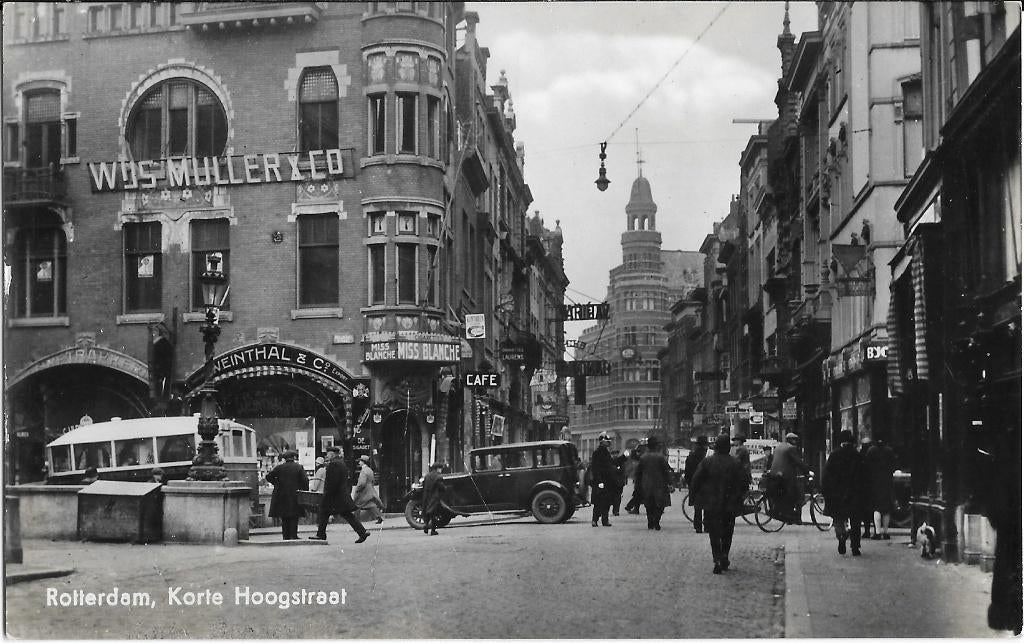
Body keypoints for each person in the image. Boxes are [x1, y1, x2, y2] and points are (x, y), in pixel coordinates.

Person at [690, 434, 746, 574]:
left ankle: (717, 558)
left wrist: (694, 498)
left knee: (714, 533)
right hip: (729, 503)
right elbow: (744, 482)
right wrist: (739, 497)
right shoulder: (735, 463)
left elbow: (696, 480)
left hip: (711, 503)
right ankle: (725, 554)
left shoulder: (707, 462)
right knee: (728, 531)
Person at [821, 430, 867, 556]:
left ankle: (841, 536)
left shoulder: (834, 455)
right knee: (855, 521)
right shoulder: (857, 456)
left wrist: (826, 491)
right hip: (854, 494)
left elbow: (826, 476)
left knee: (838, 519)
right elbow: (864, 477)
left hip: (837, 494)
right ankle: (855, 547)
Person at [309, 447, 369, 544]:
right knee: (346, 514)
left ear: (332, 454)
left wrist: (327, 494)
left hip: (334, 496)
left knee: (324, 512)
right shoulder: (341, 463)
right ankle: (362, 532)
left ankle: (321, 534)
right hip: (340, 495)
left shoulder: (334, 464)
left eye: (328, 454)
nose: (327, 455)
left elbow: (332, 482)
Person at [765, 432, 809, 524]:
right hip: (784, 475)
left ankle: (787, 513)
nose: (796, 442)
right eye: (795, 440)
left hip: (774, 475)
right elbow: (798, 461)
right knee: (795, 494)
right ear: (792, 440)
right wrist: (806, 471)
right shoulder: (790, 448)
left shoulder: (779, 447)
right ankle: (793, 516)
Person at [266, 450, 309, 540]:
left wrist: (276, 483)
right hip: (295, 495)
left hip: (281, 495)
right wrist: (304, 490)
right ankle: (293, 535)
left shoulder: (279, 467)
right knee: (294, 516)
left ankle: (285, 536)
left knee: (284, 516)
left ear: (285, 458)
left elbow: (268, 476)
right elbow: (305, 481)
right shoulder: (299, 467)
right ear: (293, 457)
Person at [635, 437, 672, 530]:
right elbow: (665, 471)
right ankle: (656, 521)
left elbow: (638, 473)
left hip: (646, 484)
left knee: (649, 504)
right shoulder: (660, 457)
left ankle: (650, 521)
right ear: (656, 446)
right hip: (660, 484)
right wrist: (670, 483)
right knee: (660, 505)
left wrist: (638, 484)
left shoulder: (643, 457)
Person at [864, 437, 897, 540]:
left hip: (874, 482)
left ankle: (877, 532)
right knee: (886, 508)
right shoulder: (889, 451)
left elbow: (867, 466)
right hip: (887, 482)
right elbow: (894, 465)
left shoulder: (871, 451)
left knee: (876, 508)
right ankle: (886, 532)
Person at [589, 432, 616, 527]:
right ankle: (594, 520)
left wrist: (623, 457)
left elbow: (612, 464)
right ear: (602, 442)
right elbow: (596, 468)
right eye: (607, 441)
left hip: (607, 481)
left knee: (606, 502)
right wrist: (599, 481)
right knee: (598, 502)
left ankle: (605, 520)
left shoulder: (606, 452)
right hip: (600, 481)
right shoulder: (598, 452)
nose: (609, 443)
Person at [683, 435, 709, 533]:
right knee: (707, 506)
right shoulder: (708, 456)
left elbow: (687, 471)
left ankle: (698, 526)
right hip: (706, 483)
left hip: (695, 483)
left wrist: (689, 482)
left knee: (697, 506)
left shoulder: (691, 455)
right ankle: (707, 526)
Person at [353, 455, 385, 524]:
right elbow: (373, 480)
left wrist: (357, 489)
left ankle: (355, 520)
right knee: (370, 504)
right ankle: (379, 517)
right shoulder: (370, 470)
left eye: (360, 461)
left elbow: (362, 483)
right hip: (369, 490)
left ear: (363, 462)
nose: (359, 463)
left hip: (364, 491)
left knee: (357, 504)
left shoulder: (364, 471)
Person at [421, 462, 447, 536]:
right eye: (441, 468)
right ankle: (433, 530)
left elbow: (424, 485)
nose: (441, 470)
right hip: (434, 497)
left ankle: (426, 525)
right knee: (434, 514)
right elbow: (441, 486)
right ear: (438, 468)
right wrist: (446, 489)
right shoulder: (438, 476)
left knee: (428, 512)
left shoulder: (427, 476)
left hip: (426, 497)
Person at [858, 437, 875, 538]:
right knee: (868, 510)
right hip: (870, 486)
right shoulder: (871, 455)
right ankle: (868, 529)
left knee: (861, 510)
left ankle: (864, 530)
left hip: (860, 486)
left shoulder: (859, 456)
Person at [624, 445, 645, 514]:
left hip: (640, 479)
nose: (638, 453)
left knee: (638, 495)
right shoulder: (638, 460)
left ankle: (631, 507)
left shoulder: (639, 460)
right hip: (639, 480)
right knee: (638, 495)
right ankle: (632, 507)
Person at [610, 449, 628, 516]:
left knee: (617, 497)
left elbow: (623, 471)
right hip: (611, 482)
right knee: (611, 496)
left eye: (616, 454)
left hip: (619, 482)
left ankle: (616, 511)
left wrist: (624, 480)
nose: (615, 455)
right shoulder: (610, 461)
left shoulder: (621, 462)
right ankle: (611, 510)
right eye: (613, 454)